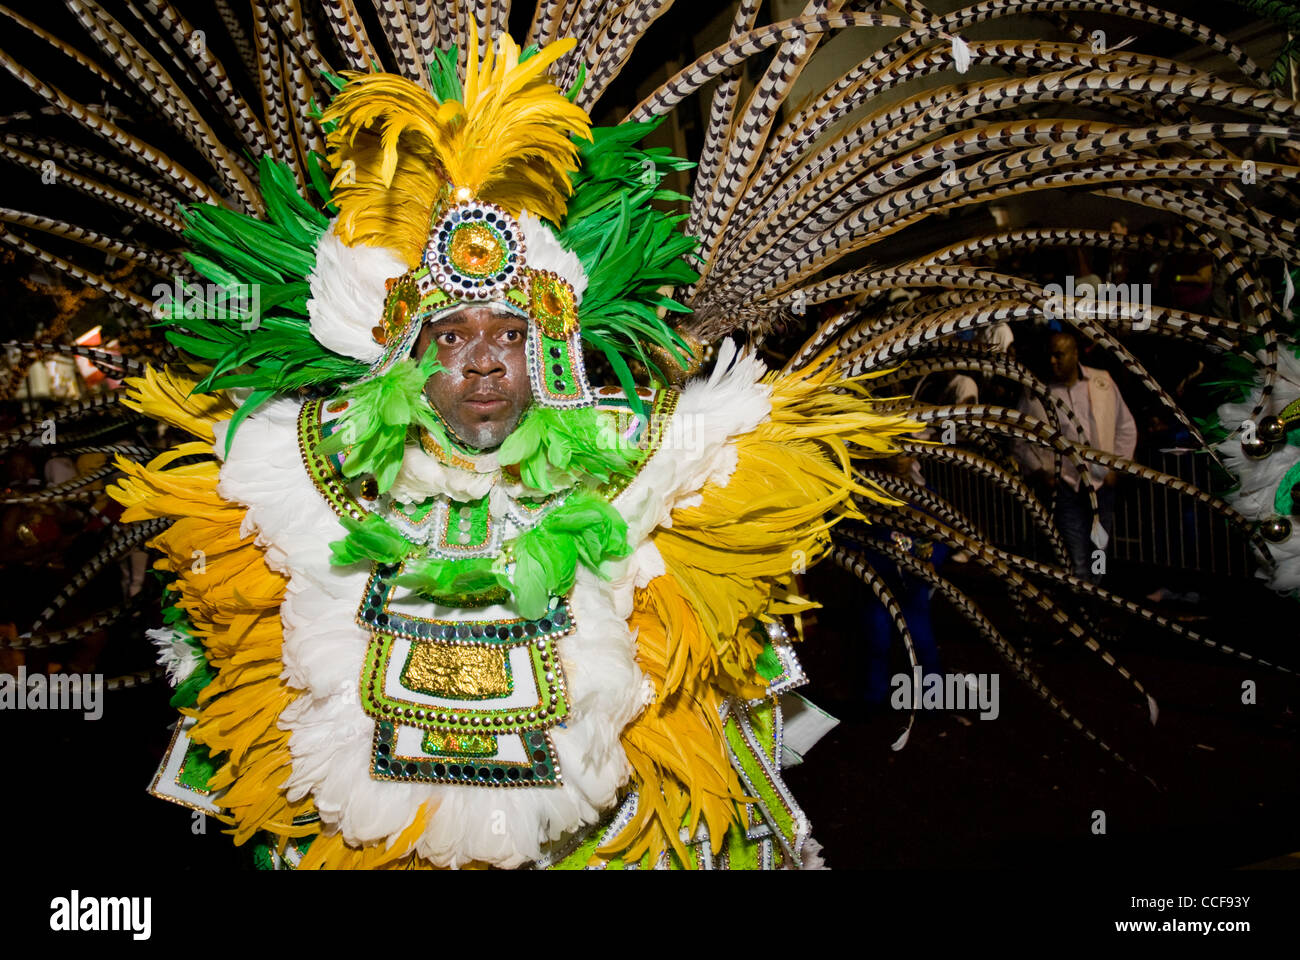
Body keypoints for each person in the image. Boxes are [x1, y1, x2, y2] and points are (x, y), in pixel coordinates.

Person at [107, 27, 916, 871]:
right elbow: (224, 627)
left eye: (509, 333)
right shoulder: (304, 471)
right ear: (403, 354)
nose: (485, 358)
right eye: (451, 333)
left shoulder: (635, 464)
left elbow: (741, 461)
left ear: (552, 351)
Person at [1014, 331, 1137, 582]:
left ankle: (1096, 597)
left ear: (1074, 354)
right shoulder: (1037, 392)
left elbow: (1125, 426)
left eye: (1059, 355)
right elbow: (1019, 438)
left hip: (1100, 482)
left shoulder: (1101, 382)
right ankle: (1084, 606)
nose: (1052, 361)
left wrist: (1118, 465)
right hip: (1065, 485)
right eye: (1050, 355)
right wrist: (1040, 471)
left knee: (1098, 550)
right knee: (1075, 555)